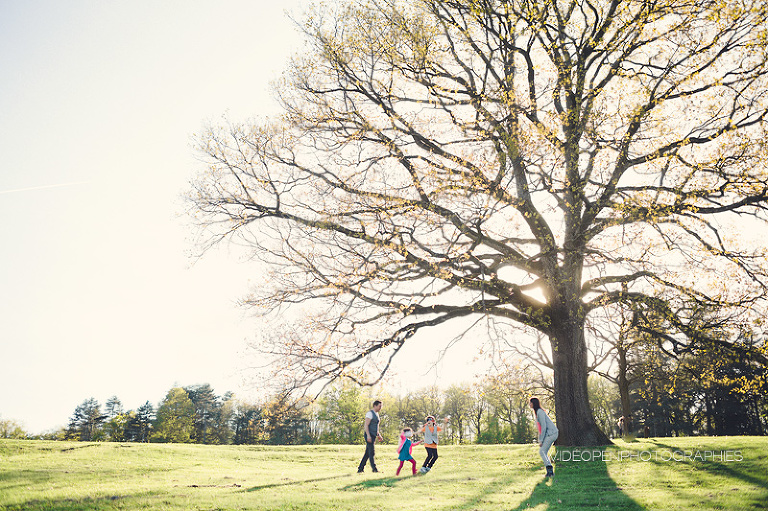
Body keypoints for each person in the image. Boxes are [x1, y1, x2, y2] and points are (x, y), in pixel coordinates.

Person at [529, 397, 558, 478]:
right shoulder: (537, 412)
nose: (529, 404)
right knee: (543, 451)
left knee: (542, 451)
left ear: (533, 403)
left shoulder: (540, 412)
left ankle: (550, 471)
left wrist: (541, 440)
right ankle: (549, 471)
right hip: (549, 434)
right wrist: (540, 439)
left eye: (530, 403)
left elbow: (544, 427)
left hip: (552, 433)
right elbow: (540, 428)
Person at [357, 400, 383, 473]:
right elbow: (366, 425)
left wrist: (378, 435)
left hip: (373, 435)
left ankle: (360, 469)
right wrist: (368, 435)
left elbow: (376, 426)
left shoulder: (377, 414)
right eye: (379, 406)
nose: (380, 408)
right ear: (375, 405)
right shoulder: (370, 414)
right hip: (369, 434)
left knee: (367, 453)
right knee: (371, 452)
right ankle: (374, 469)